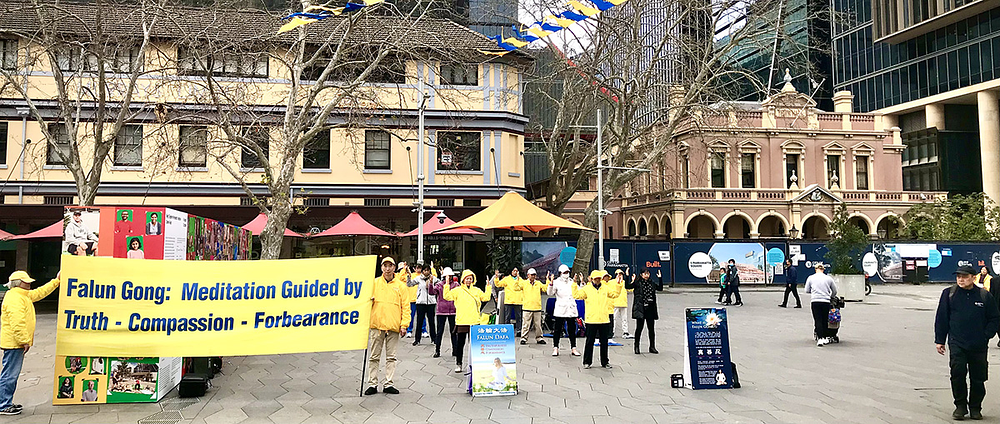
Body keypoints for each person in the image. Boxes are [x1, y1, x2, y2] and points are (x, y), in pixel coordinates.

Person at [935, 265, 1000, 420]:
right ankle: (960, 406)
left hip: (978, 344)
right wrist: (940, 340)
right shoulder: (949, 294)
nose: (961, 279)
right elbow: (942, 318)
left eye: (964, 277)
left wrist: (986, 335)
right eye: (958, 277)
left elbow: (994, 317)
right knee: (957, 373)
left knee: (978, 377)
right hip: (957, 342)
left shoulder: (984, 296)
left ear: (973, 278)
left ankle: (975, 407)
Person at [0, 270, 61, 415]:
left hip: (14, 343)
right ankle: (3, 404)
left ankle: (6, 402)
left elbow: (40, 293)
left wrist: (56, 281)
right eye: (26, 281)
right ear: (19, 283)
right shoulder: (16, 298)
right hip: (14, 343)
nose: (29, 283)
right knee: (10, 374)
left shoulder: (21, 295)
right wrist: (24, 341)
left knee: (10, 373)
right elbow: (17, 322)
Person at [364, 257, 409, 396]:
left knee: (391, 357)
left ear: (394, 268)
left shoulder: (401, 286)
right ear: (381, 267)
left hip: (393, 327)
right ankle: (372, 383)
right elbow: (365, 301)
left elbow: (406, 307)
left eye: (390, 266)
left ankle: (388, 383)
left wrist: (404, 325)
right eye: (385, 266)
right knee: (374, 357)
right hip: (377, 326)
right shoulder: (374, 283)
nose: (387, 268)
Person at [443, 270, 492, 373]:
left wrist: (488, 287)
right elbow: (446, 296)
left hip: (474, 320)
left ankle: (475, 364)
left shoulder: (477, 290)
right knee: (460, 344)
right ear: (463, 280)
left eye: (470, 278)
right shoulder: (458, 290)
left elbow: (486, 298)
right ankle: (459, 363)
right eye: (467, 278)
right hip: (462, 321)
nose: (469, 280)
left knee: (474, 345)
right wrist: (447, 284)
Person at [573, 270, 619, 369]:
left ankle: (605, 361)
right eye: (596, 279)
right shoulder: (587, 289)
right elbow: (577, 295)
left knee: (604, 342)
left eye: (599, 279)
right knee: (589, 341)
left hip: (604, 319)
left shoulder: (605, 288)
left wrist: (619, 284)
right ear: (592, 279)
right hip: (591, 319)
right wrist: (574, 284)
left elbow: (615, 294)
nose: (597, 280)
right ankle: (587, 361)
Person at [627, 268, 662, 355]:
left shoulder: (652, 283)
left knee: (651, 329)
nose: (646, 275)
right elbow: (627, 286)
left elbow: (660, 288)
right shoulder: (637, 283)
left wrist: (660, 278)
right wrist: (627, 276)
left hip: (650, 308)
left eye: (648, 273)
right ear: (641, 274)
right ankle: (636, 346)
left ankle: (652, 346)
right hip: (641, 308)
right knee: (639, 328)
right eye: (644, 273)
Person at [547, 265, 581, 357]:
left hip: (570, 308)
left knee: (572, 329)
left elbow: (579, 292)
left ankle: (573, 348)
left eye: (567, 272)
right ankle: (555, 348)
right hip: (560, 309)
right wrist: (550, 283)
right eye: (564, 273)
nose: (566, 274)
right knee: (557, 330)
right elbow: (550, 293)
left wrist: (581, 283)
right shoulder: (556, 282)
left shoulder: (571, 282)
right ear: (560, 273)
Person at [804, 263, 837, 347]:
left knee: (817, 319)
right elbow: (834, 291)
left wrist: (815, 292)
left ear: (815, 269)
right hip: (825, 301)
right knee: (825, 319)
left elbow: (806, 290)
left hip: (815, 301)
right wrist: (831, 296)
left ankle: (820, 338)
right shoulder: (828, 278)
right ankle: (825, 337)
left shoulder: (811, 278)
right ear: (823, 270)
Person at [428, 267, 458, 358]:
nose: (448, 278)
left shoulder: (456, 285)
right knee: (439, 332)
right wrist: (430, 283)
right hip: (441, 311)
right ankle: (437, 350)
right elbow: (432, 292)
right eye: (446, 276)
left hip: (453, 310)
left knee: (453, 332)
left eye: (450, 276)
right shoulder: (439, 285)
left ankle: (455, 350)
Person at [407, 264, 438, 346]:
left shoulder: (433, 278)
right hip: (421, 302)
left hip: (431, 302)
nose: (426, 272)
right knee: (419, 321)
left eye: (428, 270)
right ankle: (417, 339)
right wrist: (408, 276)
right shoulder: (419, 278)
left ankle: (434, 338)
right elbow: (409, 284)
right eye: (425, 270)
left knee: (431, 322)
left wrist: (432, 284)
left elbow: (440, 285)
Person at [517, 268, 548, 345]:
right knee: (525, 324)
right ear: (528, 275)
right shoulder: (524, 283)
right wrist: (517, 279)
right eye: (532, 275)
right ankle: (524, 338)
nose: (533, 276)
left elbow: (545, 288)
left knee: (538, 325)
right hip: (527, 307)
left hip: (537, 307)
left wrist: (548, 280)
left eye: (534, 275)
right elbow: (516, 287)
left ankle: (539, 338)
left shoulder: (538, 283)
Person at [494, 267, 524, 336]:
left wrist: (518, 279)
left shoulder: (520, 279)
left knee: (518, 317)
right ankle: (506, 330)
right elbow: (498, 284)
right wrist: (496, 277)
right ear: (511, 271)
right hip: (509, 301)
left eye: (516, 271)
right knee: (507, 317)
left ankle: (519, 330)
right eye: (514, 270)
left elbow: (522, 286)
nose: (515, 272)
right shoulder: (507, 279)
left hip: (518, 300)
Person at [611, 269, 632, 340]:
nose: (619, 276)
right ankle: (612, 331)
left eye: (621, 274)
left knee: (624, 318)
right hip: (615, 303)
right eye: (618, 274)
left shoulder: (624, 282)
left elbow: (630, 289)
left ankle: (625, 331)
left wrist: (632, 281)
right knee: (614, 318)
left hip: (623, 303)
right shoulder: (612, 282)